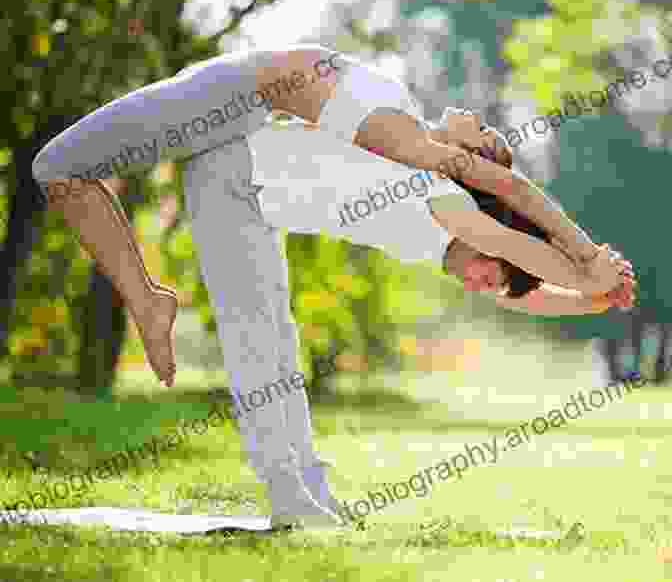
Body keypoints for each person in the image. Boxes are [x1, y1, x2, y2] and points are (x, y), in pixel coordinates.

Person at [31, 45, 634, 528]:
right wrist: (587, 258)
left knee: (264, 340)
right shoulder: (432, 179)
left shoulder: (435, 229)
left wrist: (593, 296)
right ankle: (144, 299)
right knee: (57, 167)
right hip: (232, 121)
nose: (481, 126)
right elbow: (517, 213)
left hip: (243, 184)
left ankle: (299, 497)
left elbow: (518, 281)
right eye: (486, 140)